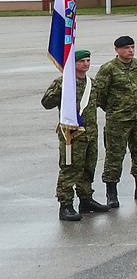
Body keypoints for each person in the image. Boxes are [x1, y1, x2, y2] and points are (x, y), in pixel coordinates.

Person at [94, 34, 137, 207]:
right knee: (115, 155)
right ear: (117, 50)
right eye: (126, 48)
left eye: (132, 47)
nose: (130, 51)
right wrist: (114, 108)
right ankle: (111, 193)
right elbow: (99, 94)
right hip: (117, 120)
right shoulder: (108, 68)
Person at [44, 48, 102, 220]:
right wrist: (61, 88)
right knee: (70, 170)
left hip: (90, 134)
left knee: (88, 168)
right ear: (73, 64)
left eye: (88, 61)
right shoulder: (63, 83)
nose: (86, 64)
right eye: (82, 61)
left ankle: (86, 199)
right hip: (71, 135)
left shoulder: (92, 83)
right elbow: (46, 102)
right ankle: (66, 205)